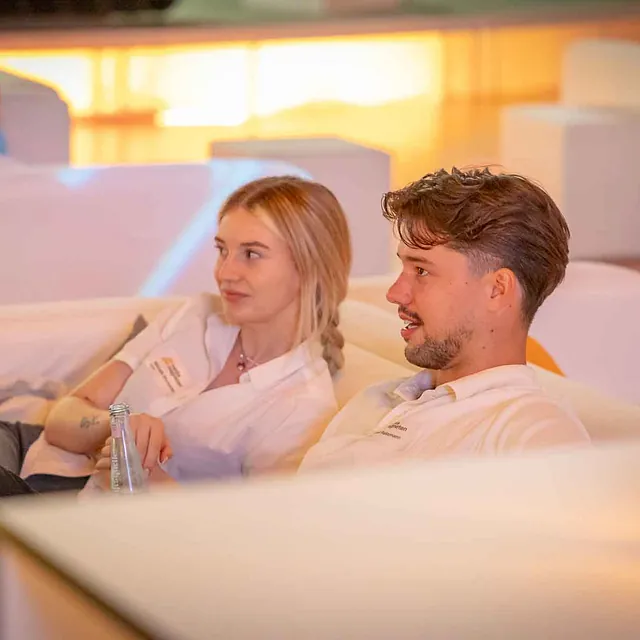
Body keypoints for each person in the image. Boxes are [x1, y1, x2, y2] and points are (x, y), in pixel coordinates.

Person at [11, 175, 352, 492]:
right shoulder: (196, 314)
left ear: (310, 266)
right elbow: (64, 416)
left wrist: (146, 471)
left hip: (75, 514)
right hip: (29, 459)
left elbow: (247, 528)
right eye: (222, 250)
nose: (225, 272)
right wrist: (117, 428)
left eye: (251, 254)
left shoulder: (301, 410)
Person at [298, 167, 591, 473]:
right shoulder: (376, 399)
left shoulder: (534, 433)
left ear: (497, 290)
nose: (395, 294)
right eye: (404, 269)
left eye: (421, 271)